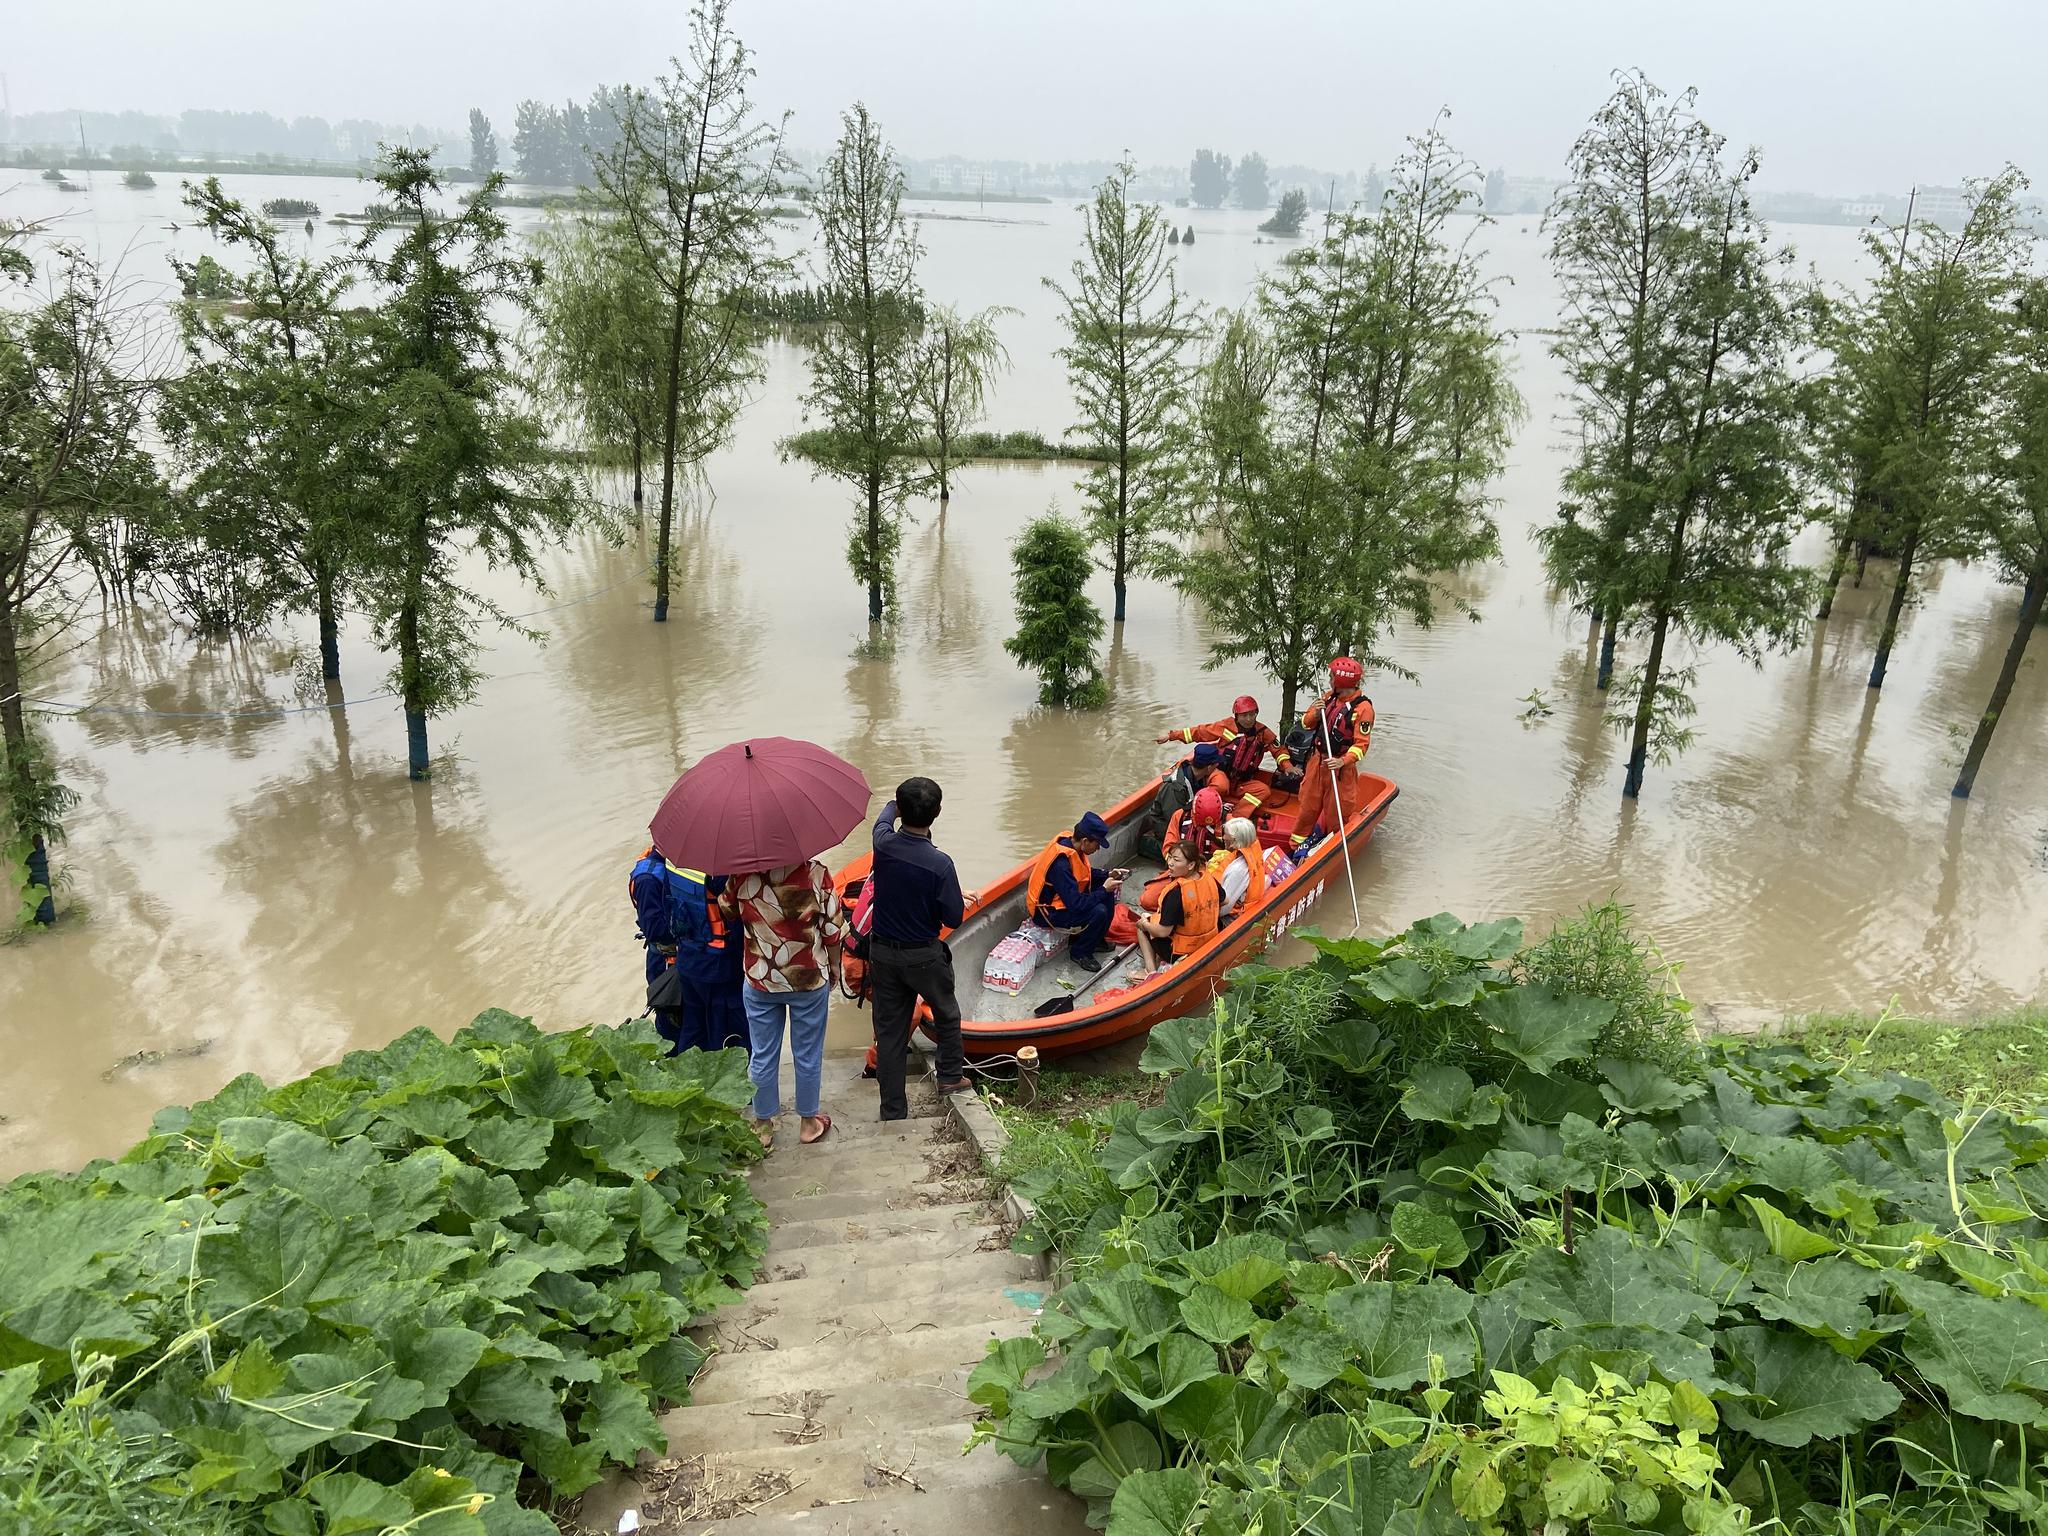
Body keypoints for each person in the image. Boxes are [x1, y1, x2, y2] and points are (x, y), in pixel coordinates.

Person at [868, 777, 978, 1121]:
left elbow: (882, 820)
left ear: (901, 812)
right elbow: (954, 918)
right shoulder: (940, 864)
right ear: (938, 813)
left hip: (883, 954)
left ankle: (893, 1109)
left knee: (889, 1032)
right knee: (947, 1013)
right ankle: (949, 1077)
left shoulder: (883, 844)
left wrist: (893, 806)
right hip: (923, 957)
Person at [723, 858, 846, 1149]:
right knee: (807, 1054)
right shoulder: (816, 873)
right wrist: (836, 965)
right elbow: (832, 930)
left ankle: (763, 1126)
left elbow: (727, 910)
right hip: (808, 978)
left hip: (761, 979)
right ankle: (808, 1124)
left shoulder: (741, 873)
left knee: (763, 1054)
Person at [628, 847, 746, 1053]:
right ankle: (679, 1069)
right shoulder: (649, 877)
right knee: (676, 1024)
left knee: (693, 1026)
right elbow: (655, 929)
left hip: (689, 959)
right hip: (671, 962)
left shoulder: (673, 868)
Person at [1156, 695, 1293, 817]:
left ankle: (1235, 818)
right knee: (1221, 785)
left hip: (1242, 781)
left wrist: (1287, 766)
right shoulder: (1226, 726)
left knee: (1263, 791)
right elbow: (1200, 732)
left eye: (1252, 714)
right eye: (1244, 715)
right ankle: (1201, 809)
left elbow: (1279, 750)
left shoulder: (1262, 732)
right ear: (1236, 716)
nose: (1249, 719)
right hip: (1219, 772)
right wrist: (1171, 735)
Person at [1027, 811, 1126, 972]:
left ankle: (1096, 939)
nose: (1098, 848)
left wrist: (1107, 874)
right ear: (1086, 841)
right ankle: (1080, 952)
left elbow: (1083, 872)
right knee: (1098, 911)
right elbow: (1076, 905)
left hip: (1065, 899)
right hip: (1047, 912)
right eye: (1097, 844)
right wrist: (1102, 889)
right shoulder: (1060, 864)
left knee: (1107, 894)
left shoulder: (1074, 845)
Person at [1291, 656, 1375, 845]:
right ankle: (1296, 847)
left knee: (1337, 813)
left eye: (1331, 676)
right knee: (1307, 807)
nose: (1329, 679)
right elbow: (1305, 724)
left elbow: (1361, 746)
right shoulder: (1328, 698)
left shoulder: (1362, 709)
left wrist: (1342, 762)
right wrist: (1315, 713)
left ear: (1340, 680)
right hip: (1317, 762)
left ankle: (1331, 846)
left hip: (1340, 769)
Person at [1134, 839, 1222, 976]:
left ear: (1191, 864)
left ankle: (1150, 973)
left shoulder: (1176, 892)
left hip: (1181, 953)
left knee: (1142, 923)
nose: (1170, 863)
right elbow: (1225, 900)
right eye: (1170, 858)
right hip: (1208, 941)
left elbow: (1163, 932)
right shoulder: (1209, 879)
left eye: (1176, 860)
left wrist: (1144, 924)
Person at [1210, 817, 1267, 917]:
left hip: (1231, 917)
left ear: (1234, 840)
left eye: (1225, 834)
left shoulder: (1238, 870)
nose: (1223, 837)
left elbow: (1223, 909)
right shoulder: (1253, 853)